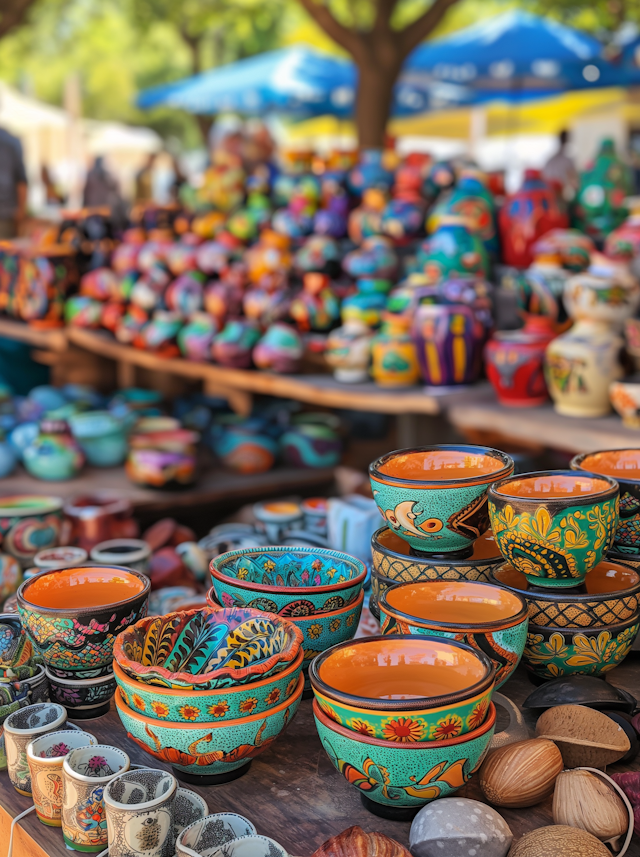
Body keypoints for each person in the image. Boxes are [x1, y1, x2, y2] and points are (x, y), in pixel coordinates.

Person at [0, 126, 27, 239]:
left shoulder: (10, 141)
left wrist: (20, 212)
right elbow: (21, 181)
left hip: (5, 214)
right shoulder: (11, 140)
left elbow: (21, 181)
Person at [543, 129, 579, 198]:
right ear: (567, 139)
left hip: (551, 194)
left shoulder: (550, 160)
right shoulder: (568, 161)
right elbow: (574, 181)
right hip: (561, 195)